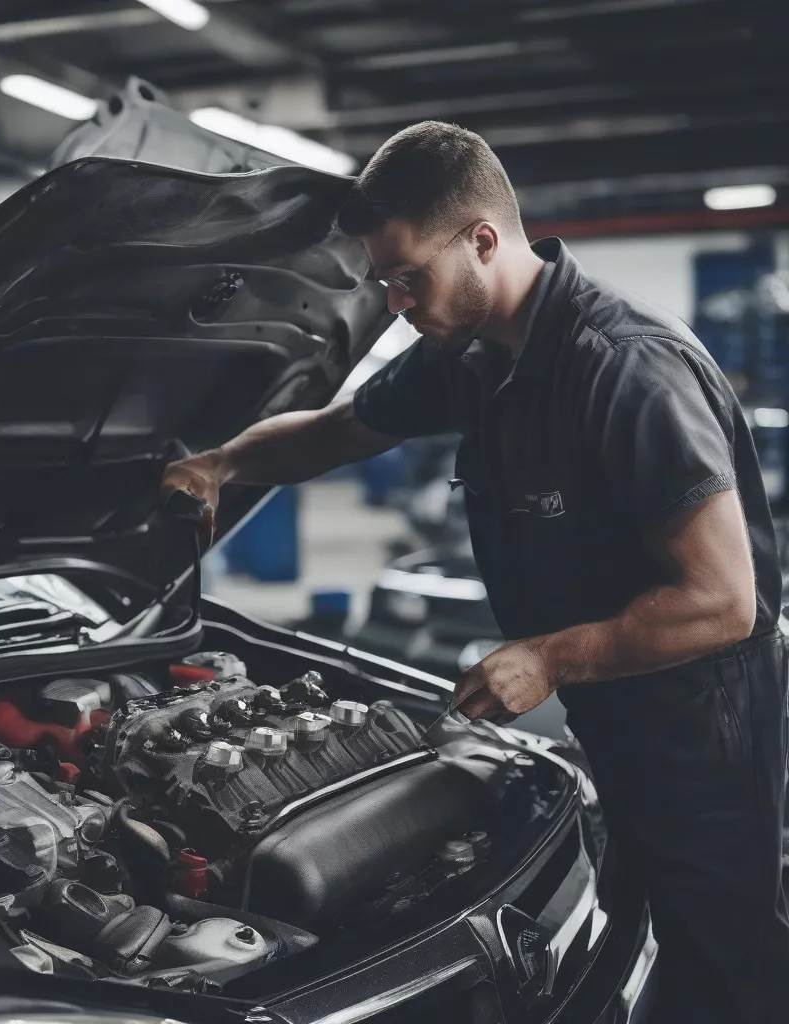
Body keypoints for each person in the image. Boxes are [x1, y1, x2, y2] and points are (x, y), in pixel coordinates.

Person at [160, 121, 789, 1021]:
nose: (393, 299)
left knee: (726, 959)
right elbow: (339, 430)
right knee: (622, 921)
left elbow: (726, 602)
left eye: (405, 274)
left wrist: (552, 659)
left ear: (482, 241)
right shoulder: (474, 355)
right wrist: (221, 463)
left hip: (702, 726)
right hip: (619, 705)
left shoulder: (625, 367)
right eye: (382, 280)